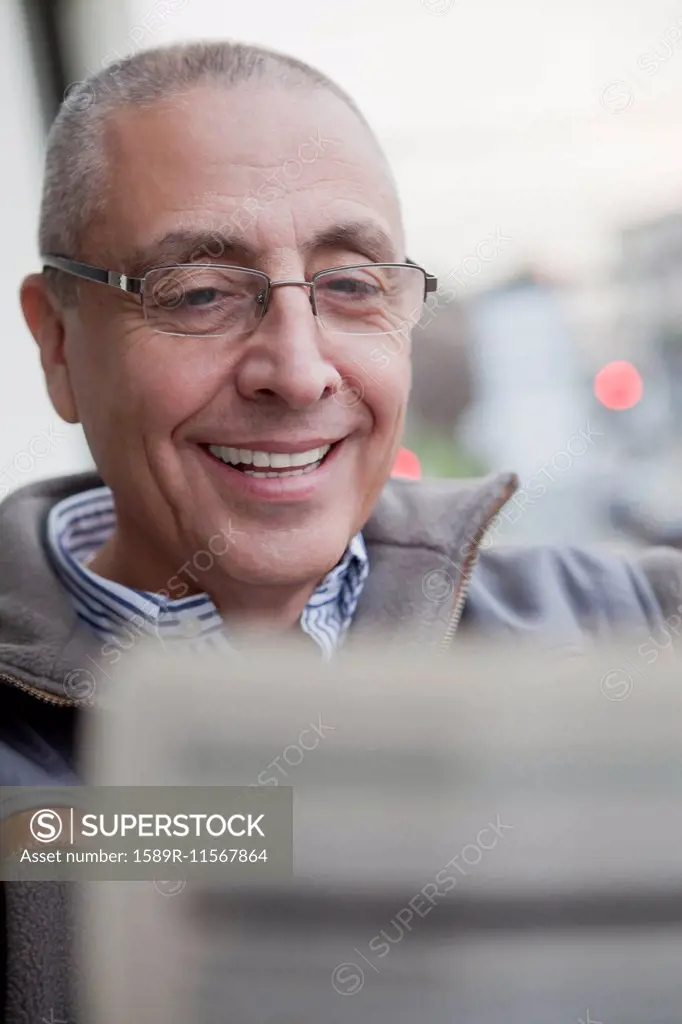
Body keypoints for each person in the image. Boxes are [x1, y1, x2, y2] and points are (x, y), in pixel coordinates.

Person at [1, 39, 681, 1022]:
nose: (300, 369)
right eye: (199, 293)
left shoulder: (643, 634)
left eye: (352, 285)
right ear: (58, 340)